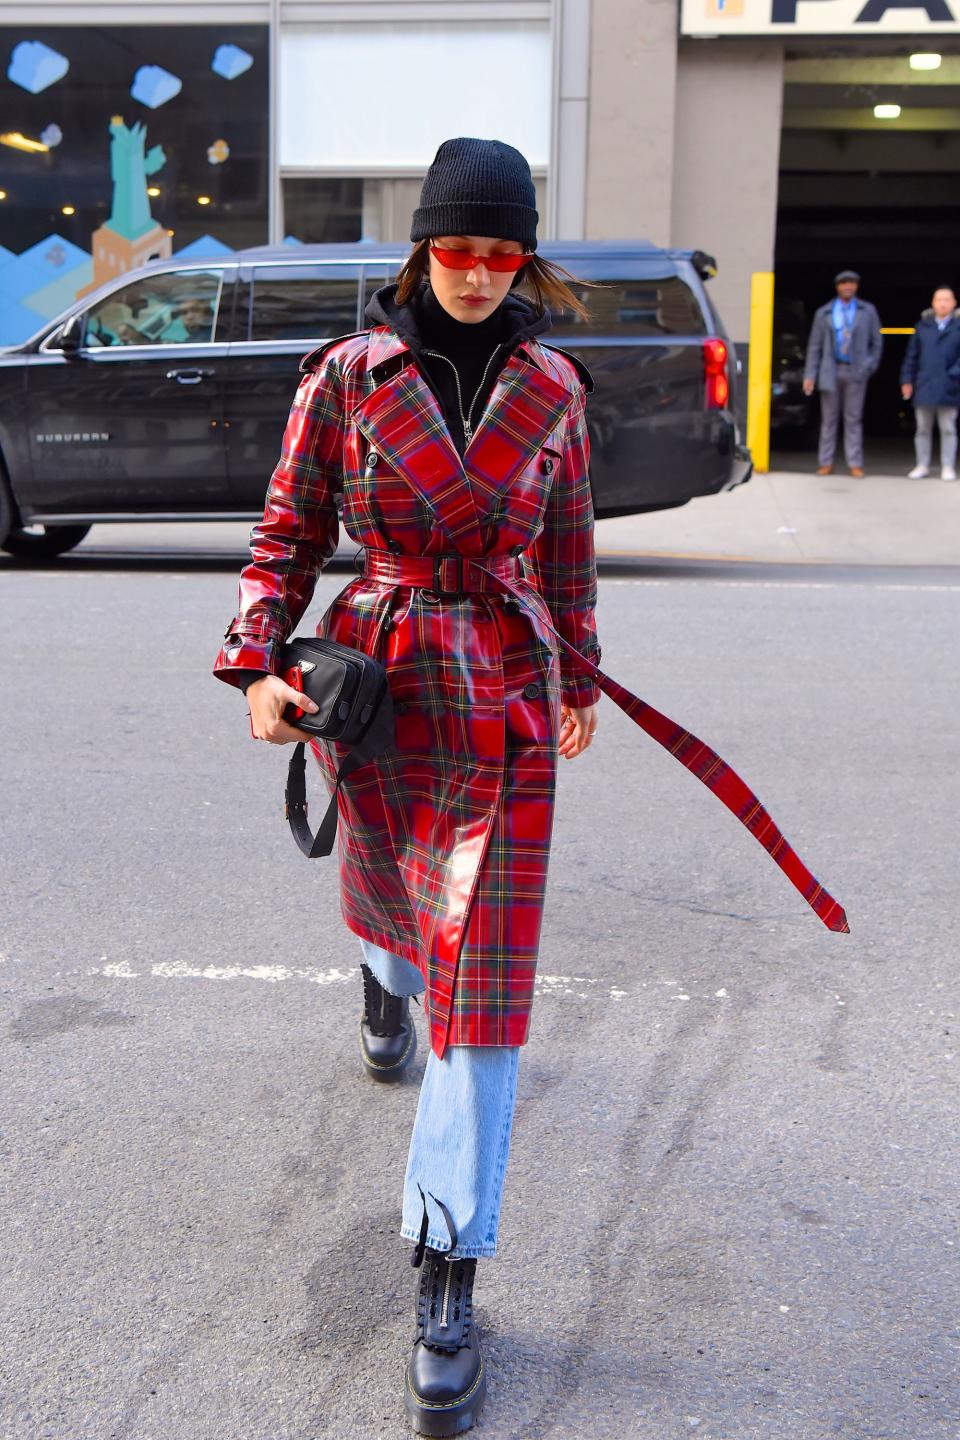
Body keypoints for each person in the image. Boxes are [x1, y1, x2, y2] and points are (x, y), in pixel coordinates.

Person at [212, 137, 601, 1436]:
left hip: (503, 687)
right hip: (385, 683)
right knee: (404, 923)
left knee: (479, 986)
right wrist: (258, 664)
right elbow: (286, 534)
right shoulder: (346, 378)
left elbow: (565, 545)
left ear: (526, 256)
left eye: (503, 252)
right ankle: (382, 975)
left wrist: (582, 675)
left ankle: (449, 1265)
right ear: (421, 249)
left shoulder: (555, 388)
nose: (481, 274)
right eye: (459, 249)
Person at [803, 269, 883, 478]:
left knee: (853, 418)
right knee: (829, 420)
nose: (848, 286)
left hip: (856, 371)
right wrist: (810, 375)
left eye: (852, 283)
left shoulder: (867, 311)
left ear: (856, 286)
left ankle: (855, 462)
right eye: (844, 283)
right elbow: (815, 346)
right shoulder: (825, 312)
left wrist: (868, 367)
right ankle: (825, 462)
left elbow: (877, 342)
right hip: (831, 370)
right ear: (837, 287)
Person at [900, 286, 960, 481]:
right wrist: (907, 380)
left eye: (947, 299)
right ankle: (922, 464)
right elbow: (911, 356)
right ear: (933, 304)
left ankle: (948, 466)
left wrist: (952, 375)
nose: (943, 303)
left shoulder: (958, 327)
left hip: (949, 385)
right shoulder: (922, 327)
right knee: (923, 428)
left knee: (948, 428)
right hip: (924, 384)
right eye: (939, 300)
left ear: (953, 303)